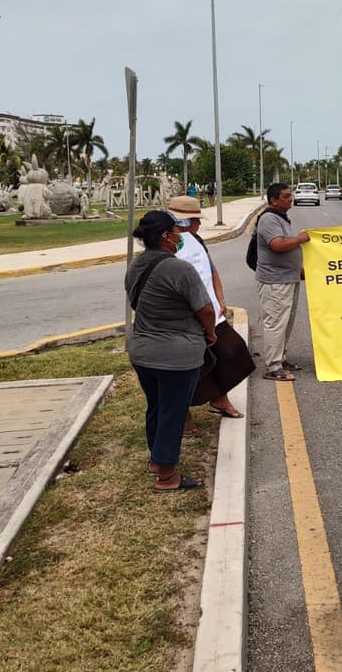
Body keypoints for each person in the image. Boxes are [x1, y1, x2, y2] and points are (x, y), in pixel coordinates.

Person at [124, 210, 217, 492]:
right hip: (176, 355)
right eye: (177, 231)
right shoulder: (180, 269)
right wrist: (210, 333)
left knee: (157, 406)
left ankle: (156, 459)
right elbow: (205, 308)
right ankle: (166, 476)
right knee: (173, 411)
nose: (181, 236)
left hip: (141, 351)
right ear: (166, 236)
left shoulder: (136, 266)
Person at [168, 195, 252, 419]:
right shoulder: (167, 243)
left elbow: (211, 269)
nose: (198, 223)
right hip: (186, 317)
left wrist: (220, 298)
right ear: (184, 221)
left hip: (211, 311)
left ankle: (219, 398)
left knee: (231, 351)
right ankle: (183, 413)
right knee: (188, 365)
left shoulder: (197, 241)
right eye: (195, 220)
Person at [255, 182, 310, 381]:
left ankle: (281, 357)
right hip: (274, 282)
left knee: (286, 323)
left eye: (290, 195)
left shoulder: (281, 218)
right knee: (276, 323)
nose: (290, 199)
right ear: (274, 200)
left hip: (288, 278)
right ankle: (273, 366)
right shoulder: (269, 219)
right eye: (286, 196)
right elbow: (277, 245)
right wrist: (301, 239)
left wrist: (299, 269)